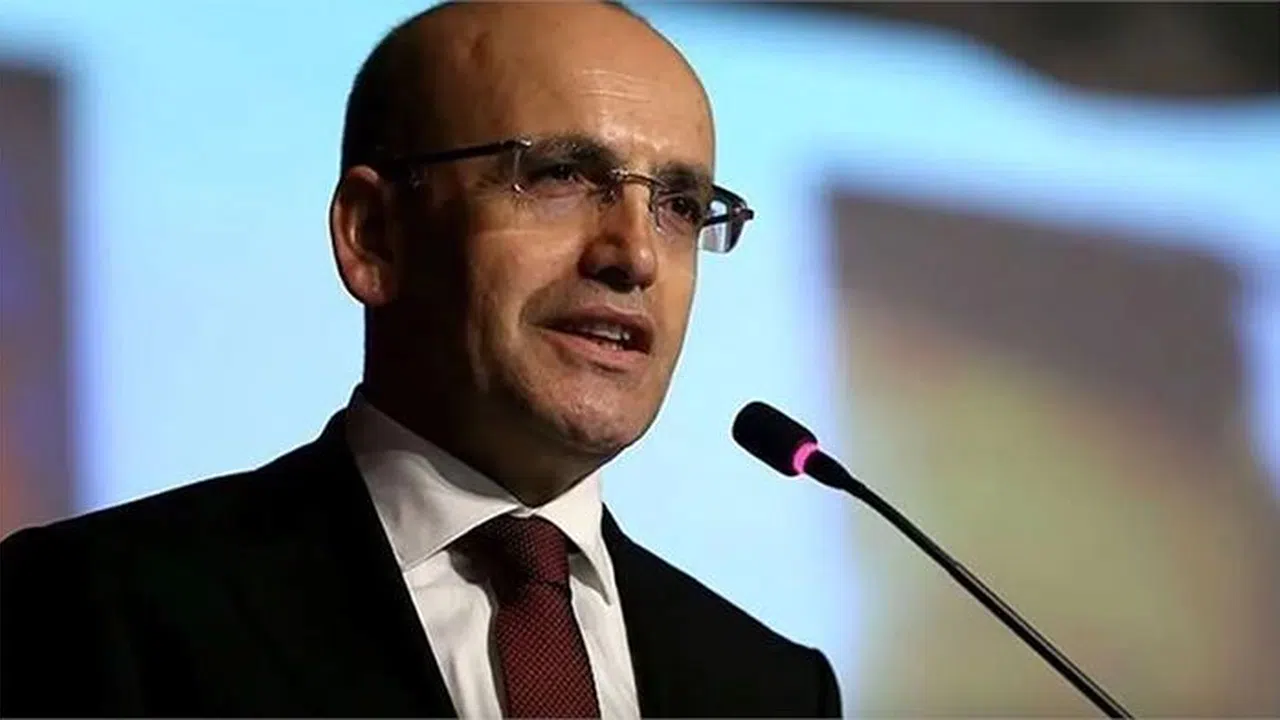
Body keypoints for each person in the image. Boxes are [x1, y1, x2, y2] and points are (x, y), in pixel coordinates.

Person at [0, 2, 842, 717]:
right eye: (559, 175)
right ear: (373, 235)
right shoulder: (90, 607)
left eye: (681, 205)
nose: (636, 256)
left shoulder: (772, 690)